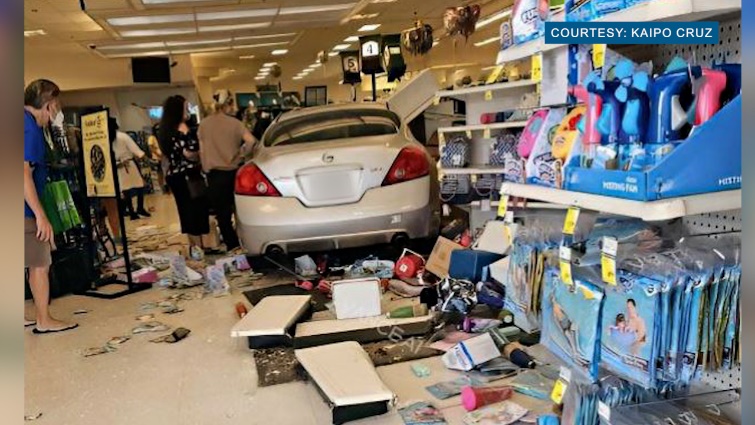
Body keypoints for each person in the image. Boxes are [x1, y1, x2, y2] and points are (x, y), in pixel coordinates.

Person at [23, 79, 78, 334]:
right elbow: (22, 173)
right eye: (56, 106)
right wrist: (41, 216)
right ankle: (43, 320)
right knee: (40, 264)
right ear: (48, 105)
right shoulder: (30, 129)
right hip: (23, 210)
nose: (57, 112)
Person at [198, 89, 257, 252]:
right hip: (234, 172)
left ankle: (232, 245)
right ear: (229, 103)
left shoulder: (204, 124)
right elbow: (251, 141)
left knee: (222, 214)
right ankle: (247, 241)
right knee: (240, 209)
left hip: (214, 174)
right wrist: (242, 155)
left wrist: (205, 168)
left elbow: (202, 151)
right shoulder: (236, 124)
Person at [157, 95, 210, 254]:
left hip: (183, 174)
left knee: (192, 209)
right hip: (184, 175)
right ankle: (196, 247)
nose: (188, 111)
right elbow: (189, 153)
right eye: (185, 108)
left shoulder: (169, 130)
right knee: (192, 209)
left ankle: (197, 246)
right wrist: (198, 152)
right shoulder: (177, 131)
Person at [110, 118, 151, 220]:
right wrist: (146, 159)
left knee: (125, 190)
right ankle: (140, 208)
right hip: (129, 163)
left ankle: (132, 212)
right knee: (139, 186)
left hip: (118, 166)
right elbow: (135, 150)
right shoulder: (123, 136)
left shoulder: (107, 139)